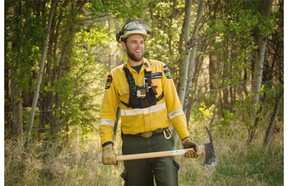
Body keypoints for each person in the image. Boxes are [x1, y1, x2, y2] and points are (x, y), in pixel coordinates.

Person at [99, 18, 199, 186]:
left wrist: (185, 138)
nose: (139, 46)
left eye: (141, 42)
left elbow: (175, 108)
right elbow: (107, 115)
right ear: (124, 44)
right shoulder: (115, 76)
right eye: (133, 42)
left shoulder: (160, 69)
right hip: (133, 143)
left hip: (161, 141)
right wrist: (107, 145)